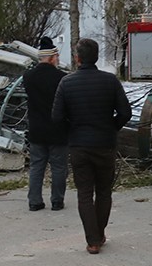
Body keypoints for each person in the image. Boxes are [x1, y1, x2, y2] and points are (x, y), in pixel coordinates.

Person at [52, 37, 132, 254]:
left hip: (79, 145)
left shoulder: (66, 83)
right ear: (96, 57)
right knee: (104, 191)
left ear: (78, 58)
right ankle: (100, 233)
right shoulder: (110, 81)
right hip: (105, 144)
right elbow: (125, 112)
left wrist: (73, 130)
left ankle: (93, 241)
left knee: (84, 193)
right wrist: (111, 128)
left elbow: (57, 117)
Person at [24, 36, 69, 212]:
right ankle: (57, 201)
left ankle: (34, 201)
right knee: (58, 167)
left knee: (36, 166)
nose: (58, 59)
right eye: (56, 56)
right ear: (51, 57)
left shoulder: (28, 77)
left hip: (36, 128)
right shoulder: (62, 78)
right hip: (58, 129)